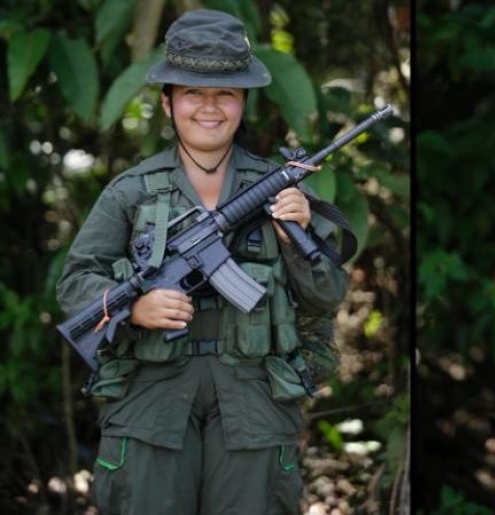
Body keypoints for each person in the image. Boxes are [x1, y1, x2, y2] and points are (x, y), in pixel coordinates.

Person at [56, 9, 348, 515]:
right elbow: (76, 282)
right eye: (193, 92)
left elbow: (327, 295)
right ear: (168, 103)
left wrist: (294, 235)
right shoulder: (130, 191)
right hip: (151, 402)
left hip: (254, 401)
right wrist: (136, 309)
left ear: (243, 103)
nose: (209, 107)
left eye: (226, 93)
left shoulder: (279, 189)